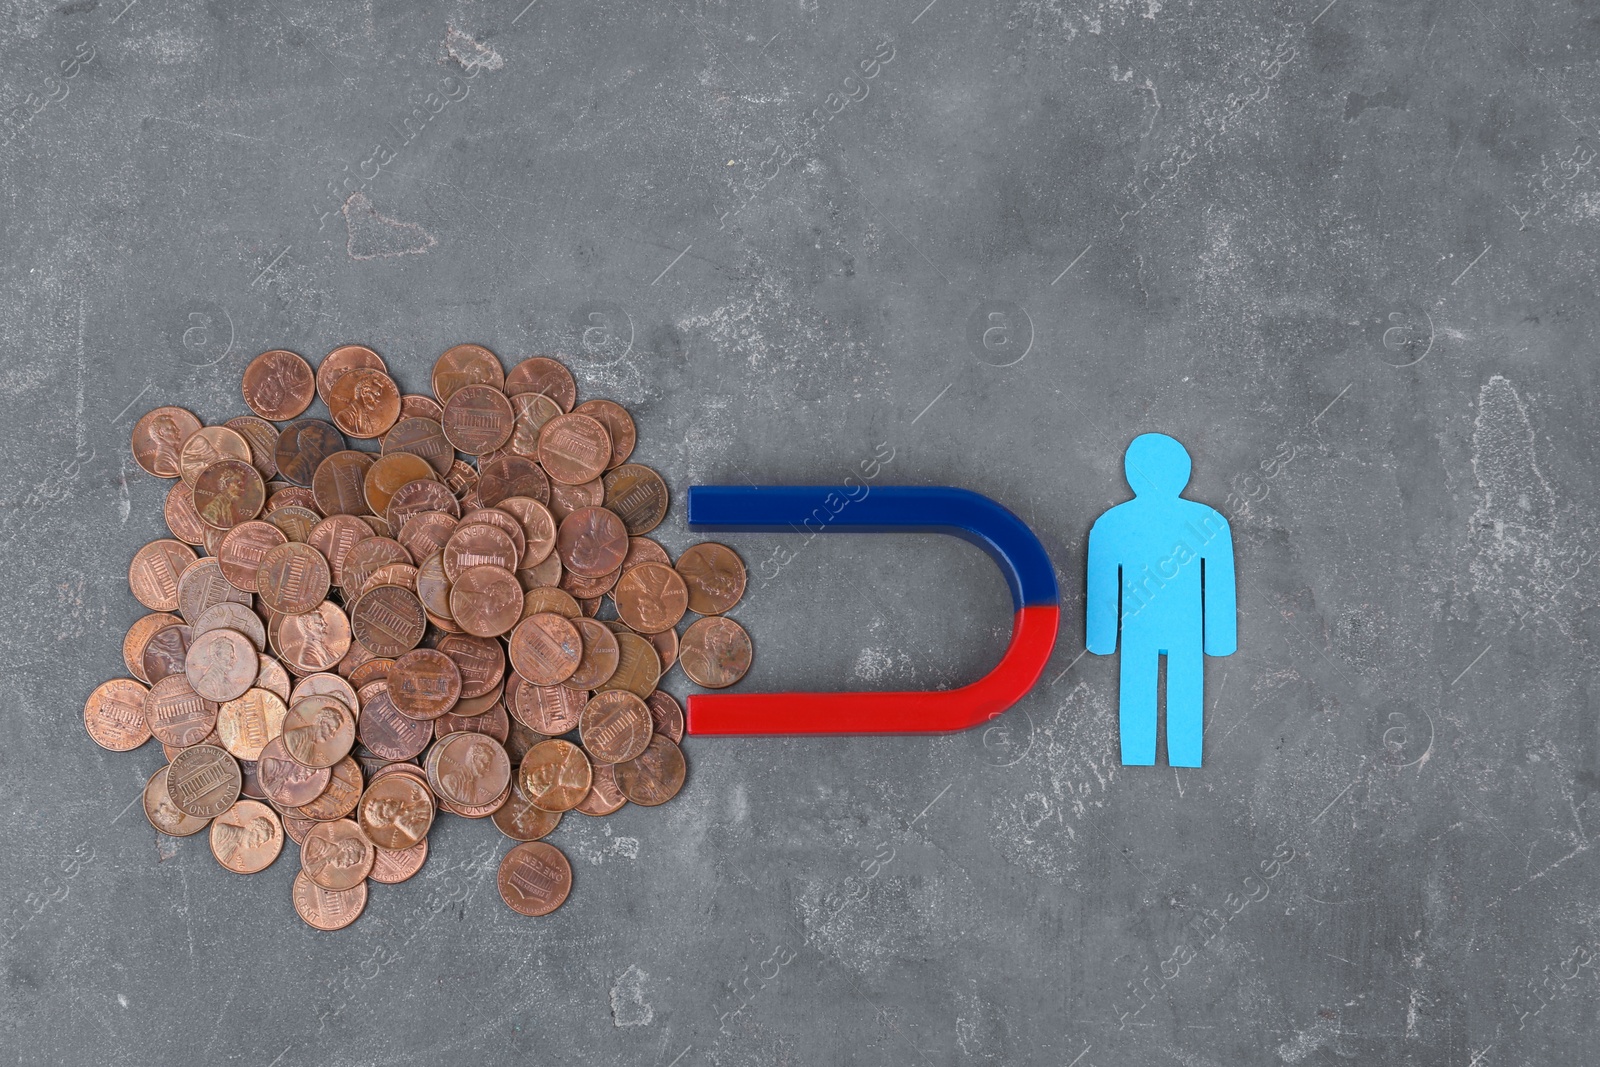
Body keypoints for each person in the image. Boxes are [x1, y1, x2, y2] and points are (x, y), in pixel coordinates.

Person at [1086, 434, 1236, 767]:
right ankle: (1181, 754)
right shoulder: (1209, 522)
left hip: (1139, 625)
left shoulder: (1112, 523)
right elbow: (1219, 584)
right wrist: (1219, 640)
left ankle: (1140, 753)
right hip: (1185, 627)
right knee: (1185, 688)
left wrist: (1101, 640)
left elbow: (1104, 586)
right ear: (1184, 473)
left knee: (1136, 687)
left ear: (1131, 474)